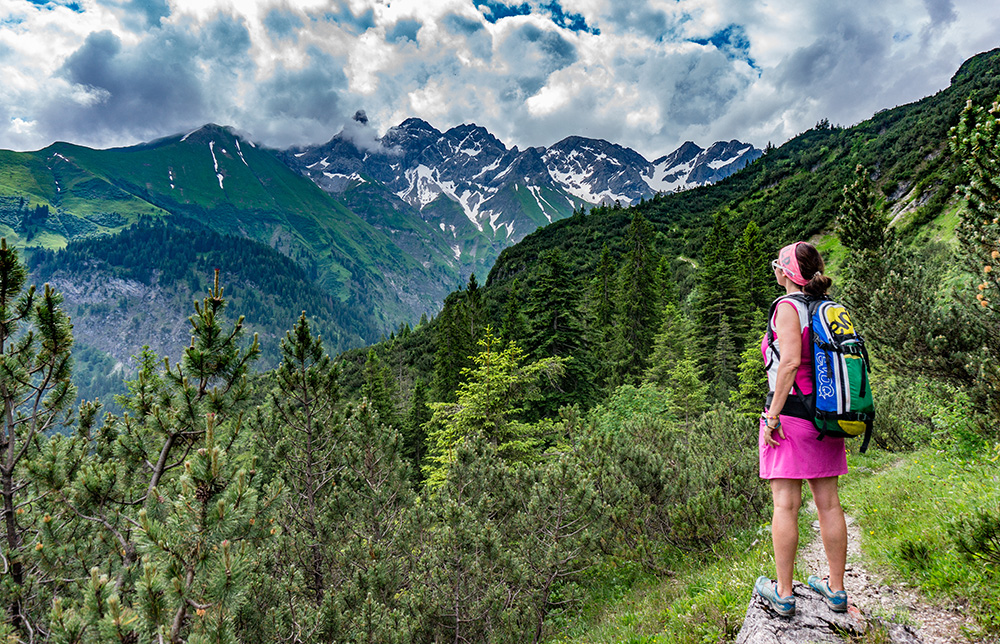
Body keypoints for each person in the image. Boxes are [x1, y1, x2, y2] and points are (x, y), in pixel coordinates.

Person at [753, 241, 849, 617]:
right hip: (828, 417)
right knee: (829, 505)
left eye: (778, 263)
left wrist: (773, 416)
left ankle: (784, 593)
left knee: (785, 505)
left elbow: (789, 363)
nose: (774, 268)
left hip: (792, 416)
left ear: (789, 273)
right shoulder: (828, 309)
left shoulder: (787, 307)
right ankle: (836, 591)